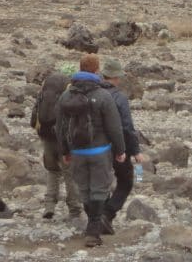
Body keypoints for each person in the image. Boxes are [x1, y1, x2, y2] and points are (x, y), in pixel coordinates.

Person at [56, 53, 126, 247]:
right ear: (97, 71)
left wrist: (64, 151)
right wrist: (120, 150)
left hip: (77, 152)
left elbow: (60, 126)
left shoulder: (66, 95)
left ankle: (92, 225)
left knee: (84, 189)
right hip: (100, 151)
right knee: (100, 189)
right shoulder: (103, 95)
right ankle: (93, 231)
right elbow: (114, 127)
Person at [100, 57, 145, 235]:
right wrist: (135, 151)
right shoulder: (119, 97)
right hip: (116, 147)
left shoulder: (92, 93)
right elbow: (127, 127)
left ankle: (97, 217)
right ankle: (108, 213)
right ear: (116, 77)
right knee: (125, 181)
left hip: (93, 146)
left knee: (100, 182)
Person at [30, 66, 82, 220]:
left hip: (47, 138)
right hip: (64, 140)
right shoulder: (69, 93)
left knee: (52, 172)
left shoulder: (43, 92)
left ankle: (49, 205)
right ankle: (74, 208)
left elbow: (33, 119)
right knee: (69, 174)